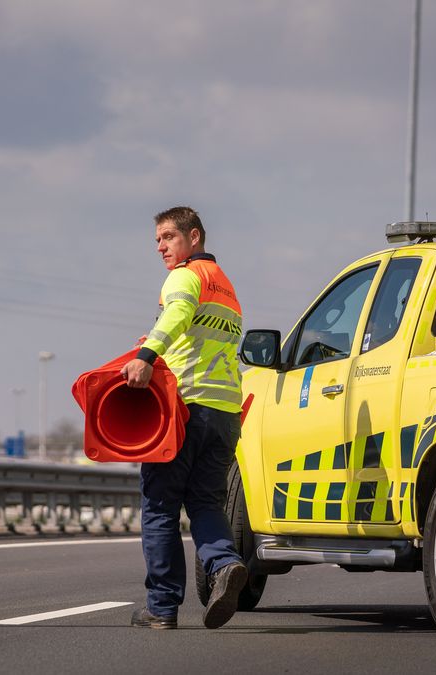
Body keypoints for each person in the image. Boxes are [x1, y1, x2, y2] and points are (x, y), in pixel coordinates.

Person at [121, 206, 247, 630]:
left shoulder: (184, 276)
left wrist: (145, 355)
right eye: (157, 239)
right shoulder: (225, 286)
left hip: (185, 408)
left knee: (160, 506)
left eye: (169, 237)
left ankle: (161, 607)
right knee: (207, 501)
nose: (161, 247)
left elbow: (176, 316)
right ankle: (225, 564)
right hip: (226, 410)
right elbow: (198, 335)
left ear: (194, 237)